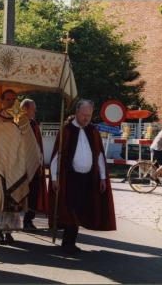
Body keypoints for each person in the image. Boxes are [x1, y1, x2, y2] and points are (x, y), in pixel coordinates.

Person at [49, 99, 116, 254]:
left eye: (89, 115)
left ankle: (70, 242)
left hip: (88, 178)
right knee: (70, 209)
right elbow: (56, 157)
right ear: (77, 112)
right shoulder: (66, 130)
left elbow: (99, 155)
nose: (86, 118)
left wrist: (102, 178)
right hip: (69, 178)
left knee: (80, 209)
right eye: (84, 114)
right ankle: (67, 243)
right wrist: (54, 178)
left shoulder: (93, 131)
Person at [0, 89, 41, 245]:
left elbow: (28, 141)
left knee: (13, 199)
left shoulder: (22, 118)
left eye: (14, 99)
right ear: (2, 99)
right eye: (8, 99)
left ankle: (9, 230)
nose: (11, 102)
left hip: (16, 164)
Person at [20, 99, 47, 230]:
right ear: (24, 109)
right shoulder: (18, 123)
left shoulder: (34, 124)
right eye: (32, 108)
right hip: (22, 165)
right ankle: (11, 223)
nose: (35, 111)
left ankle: (28, 220)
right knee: (21, 194)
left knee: (34, 193)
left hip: (35, 165)